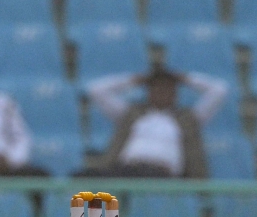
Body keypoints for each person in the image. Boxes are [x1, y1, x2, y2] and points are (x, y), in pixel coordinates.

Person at [83, 66, 228, 178]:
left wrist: (184, 79)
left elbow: (219, 90)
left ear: (175, 93)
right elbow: (96, 90)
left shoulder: (189, 118)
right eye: (157, 88)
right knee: (84, 178)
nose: (162, 92)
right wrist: (135, 80)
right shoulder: (130, 114)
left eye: (168, 89)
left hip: (164, 176)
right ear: (149, 92)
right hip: (127, 172)